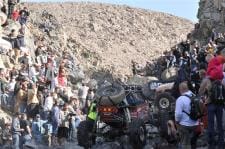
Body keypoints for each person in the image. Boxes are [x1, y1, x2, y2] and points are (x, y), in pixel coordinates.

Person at [175, 82, 199, 149]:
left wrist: (177, 122)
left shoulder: (180, 99)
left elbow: (178, 114)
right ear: (187, 88)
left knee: (185, 144)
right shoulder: (194, 95)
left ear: (180, 89)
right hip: (196, 124)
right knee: (193, 142)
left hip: (185, 125)